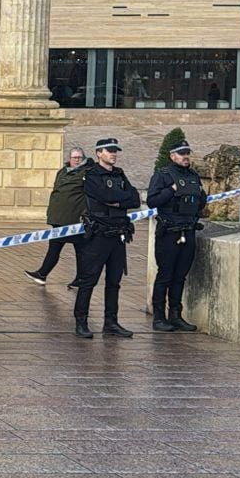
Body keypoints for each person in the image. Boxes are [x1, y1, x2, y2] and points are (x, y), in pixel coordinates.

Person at [73, 138, 140, 339]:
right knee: (88, 280)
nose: (113, 154)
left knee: (114, 282)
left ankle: (111, 322)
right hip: (98, 235)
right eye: (109, 151)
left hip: (118, 234)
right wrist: (120, 199)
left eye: (115, 151)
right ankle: (81, 322)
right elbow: (104, 196)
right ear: (98, 153)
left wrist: (117, 201)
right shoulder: (92, 174)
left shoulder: (119, 174)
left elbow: (135, 199)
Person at [148, 139, 207, 332]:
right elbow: (152, 200)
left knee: (180, 276)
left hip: (188, 230)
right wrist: (172, 190)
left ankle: (175, 315)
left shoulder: (193, 176)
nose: (186, 157)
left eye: (187, 153)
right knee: (165, 275)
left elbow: (201, 201)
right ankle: (159, 317)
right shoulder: (163, 175)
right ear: (172, 156)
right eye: (182, 154)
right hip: (169, 232)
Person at [26, 147, 87, 289]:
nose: (77, 160)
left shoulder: (87, 173)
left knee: (80, 249)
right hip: (59, 218)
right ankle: (43, 273)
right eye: (74, 158)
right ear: (69, 159)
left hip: (74, 219)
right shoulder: (62, 172)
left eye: (79, 157)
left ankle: (80, 279)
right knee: (56, 247)